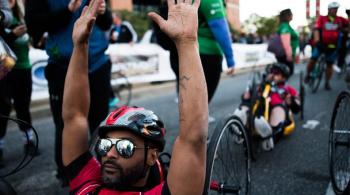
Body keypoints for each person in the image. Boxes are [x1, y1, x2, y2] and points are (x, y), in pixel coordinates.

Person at [62, 0, 208, 194]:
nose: (110, 154)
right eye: (105, 145)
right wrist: (80, 46)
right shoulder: (88, 183)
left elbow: (193, 139)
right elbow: (74, 117)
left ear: (152, 156)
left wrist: (187, 43)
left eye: (125, 147)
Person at [25, 0, 112, 185]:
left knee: (101, 124)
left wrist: (104, 13)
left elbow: (107, 24)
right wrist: (67, 11)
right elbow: (33, 27)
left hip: (97, 65)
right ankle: (68, 174)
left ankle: (106, 168)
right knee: (66, 124)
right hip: (62, 67)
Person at [0, 0, 38, 168]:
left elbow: (32, 41)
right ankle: (0, 147)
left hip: (24, 67)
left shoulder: (23, 16)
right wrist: (13, 34)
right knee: (3, 108)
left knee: (23, 106)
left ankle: (29, 141)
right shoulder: (3, 19)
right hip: (6, 68)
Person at [234, 63, 301, 151]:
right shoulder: (261, 85)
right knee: (247, 104)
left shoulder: (287, 88)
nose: (272, 74)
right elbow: (247, 96)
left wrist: (292, 101)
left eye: (276, 73)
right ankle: (238, 122)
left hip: (275, 107)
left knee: (278, 109)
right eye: (271, 72)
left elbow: (297, 104)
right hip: (258, 107)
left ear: (284, 77)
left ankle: (270, 133)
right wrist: (247, 94)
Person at [198, 0, 235, 122]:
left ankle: (193, 128)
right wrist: (230, 59)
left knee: (193, 94)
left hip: (188, 49)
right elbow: (220, 27)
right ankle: (198, 134)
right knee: (202, 96)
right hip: (207, 52)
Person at [304, 2, 348, 90]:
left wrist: (344, 30)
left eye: (336, 9)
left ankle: (327, 82)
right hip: (321, 45)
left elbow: (347, 26)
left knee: (329, 65)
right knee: (313, 59)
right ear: (329, 9)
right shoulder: (322, 18)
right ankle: (308, 74)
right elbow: (316, 29)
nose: (335, 10)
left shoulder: (340, 19)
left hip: (333, 46)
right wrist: (317, 41)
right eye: (333, 9)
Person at [276, 9, 299, 76]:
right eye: (291, 14)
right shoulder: (285, 26)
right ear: (287, 16)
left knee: (282, 74)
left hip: (285, 54)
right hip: (285, 55)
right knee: (285, 74)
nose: (292, 15)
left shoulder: (286, 25)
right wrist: (289, 55)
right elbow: (286, 43)